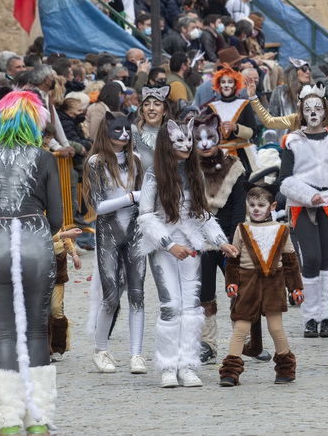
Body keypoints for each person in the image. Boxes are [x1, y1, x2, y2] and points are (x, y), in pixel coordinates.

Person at [0, 91, 63, 434]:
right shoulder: (43, 157)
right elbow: (56, 217)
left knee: (5, 334)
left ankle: (8, 420)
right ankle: (38, 419)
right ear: (34, 120)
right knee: (37, 332)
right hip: (34, 242)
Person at [137, 119, 237, 388]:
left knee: (192, 307)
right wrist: (170, 244)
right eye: (179, 141)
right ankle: (168, 366)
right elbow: (145, 216)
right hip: (163, 247)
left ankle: (188, 364)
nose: (186, 145)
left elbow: (202, 214)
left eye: (188, 140)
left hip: (191, 245)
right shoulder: (152, 175)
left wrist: (221, 241)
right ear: (167, 143)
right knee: (171, 306)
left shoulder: (196, 174)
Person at [277, 84, 328, 339]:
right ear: (301, 112)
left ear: (325, 110)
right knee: (312, 258)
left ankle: (326, 316)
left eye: (318, 107)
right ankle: (310, 317)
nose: (313, 112)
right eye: (308, 108)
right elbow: (283, 180)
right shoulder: (293, 140)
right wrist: (307, 195)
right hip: (303, 205)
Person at [219, 188, 304, 386]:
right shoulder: (242, 228)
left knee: (276, 328)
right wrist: (231, 282)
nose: (256, 209)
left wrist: (295, 288)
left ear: (272, 206)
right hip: (247, 284)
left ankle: (285, 369)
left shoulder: (282, 230)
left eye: (261, 205)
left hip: (273, 285)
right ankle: (230, 372)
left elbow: (291, 261)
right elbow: (233, 259)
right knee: (241, 327)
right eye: (252, 205)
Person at [84, 113, 147, 375]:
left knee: (137, 294)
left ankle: (136, 355)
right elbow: (98, 206)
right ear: (106, 131)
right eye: (117, 129)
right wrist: (131, 197)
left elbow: (144, 198)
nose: (124, 134)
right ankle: (100, 350)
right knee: (110, 296)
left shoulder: (135, 160)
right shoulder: (95, 162)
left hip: (134, 231)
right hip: (108, 233)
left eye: (127, 129)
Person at [194, 116, 251, 367]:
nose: (205, 144)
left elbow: (239, 204)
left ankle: (247, 340)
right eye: (199, 139)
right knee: (205, 293)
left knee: (238, 289)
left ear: (219, 136)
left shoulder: (233, 165)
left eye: (210, 137)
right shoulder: (188, 168)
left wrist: (235, 239)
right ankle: (208, 343)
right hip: (202, 240)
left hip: (230, 238)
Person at [205, 67, 258, 177]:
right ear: (219, 85)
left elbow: (253, 132)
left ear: (235, 85)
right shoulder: (211, 107)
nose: (226, 85)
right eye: (223, 82)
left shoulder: (245, 104)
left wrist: (236, 128)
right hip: (219, 157)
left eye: (230, 82)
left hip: (243, 156)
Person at [132, 84, 170, 175]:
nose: (151, 108)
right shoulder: (133, 133)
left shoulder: (173, 135)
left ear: (164, 111)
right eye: (146, 104)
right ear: (142, 111)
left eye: (157, 104)